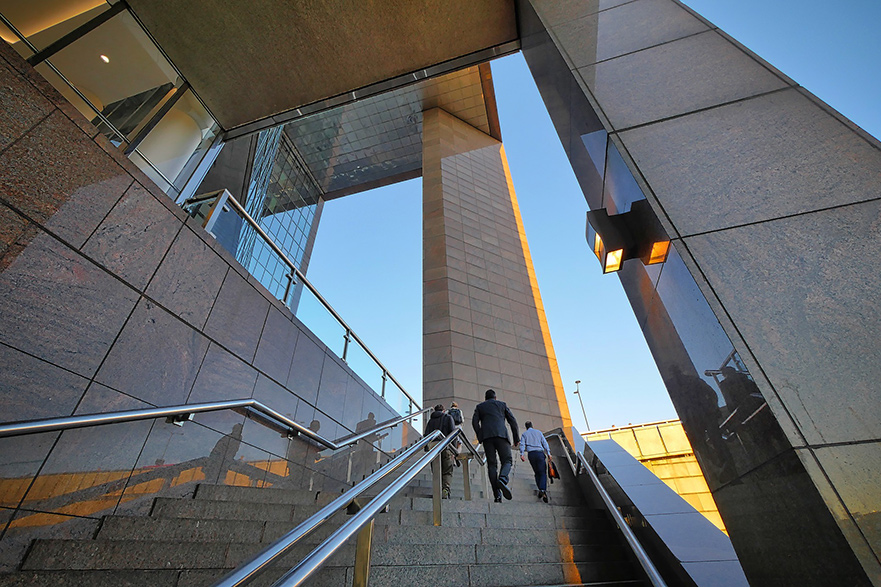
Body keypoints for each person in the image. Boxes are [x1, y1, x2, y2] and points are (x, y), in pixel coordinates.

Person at [472, 389, 519, 502]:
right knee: (507, 460)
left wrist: (480, 436)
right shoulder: (502, 405)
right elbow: (512, 421)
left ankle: (497, 495)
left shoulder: (480, 407)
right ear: (495, 397)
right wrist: (516, 438)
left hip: (487, 438)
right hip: (501, 435)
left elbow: (474, 422)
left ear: (485, 398)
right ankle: (502, 478)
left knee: (492, 465)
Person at [423, 404, 457, 499]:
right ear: (443, 410)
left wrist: (426, 448)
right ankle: (445, 489)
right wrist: (454, 449)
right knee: (447, 470)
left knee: (436, 470)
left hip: (433, 448)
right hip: (445, 447)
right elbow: (453, 433)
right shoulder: (448, 417)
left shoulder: (430, 421)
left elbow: (426, 434)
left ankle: (437, 490)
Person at [519, 421, 551, 503]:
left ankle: (540, 489)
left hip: (531, 454)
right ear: (532, 426)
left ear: (526, 427)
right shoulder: (539, 432)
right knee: (542, 472)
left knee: (536, 472)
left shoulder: (525, 434)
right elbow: (545, 443)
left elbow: (522, 444)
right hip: (540, 453)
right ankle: (542, 489)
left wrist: (521, 454)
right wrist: (548, 453)